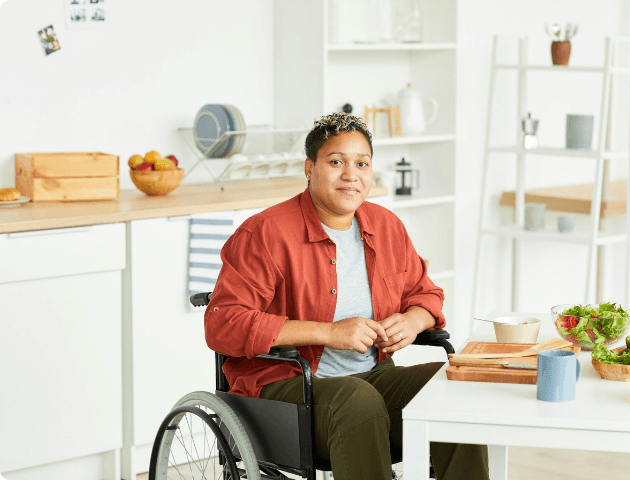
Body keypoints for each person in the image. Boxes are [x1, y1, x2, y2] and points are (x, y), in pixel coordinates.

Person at [205, 112, 489, 480]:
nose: (350, 174)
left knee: (451, 385)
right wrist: (328, 332)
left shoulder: (386, 226)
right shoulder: (265, 233)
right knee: (358, 399)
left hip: (371, 379)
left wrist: (413, 320)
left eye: (361, 163)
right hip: (283, 390)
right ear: (309, 168)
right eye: (335, 161)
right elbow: (223, 323)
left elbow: (426, 293)